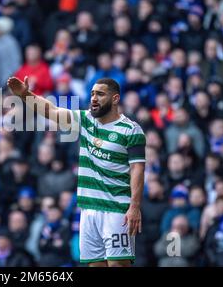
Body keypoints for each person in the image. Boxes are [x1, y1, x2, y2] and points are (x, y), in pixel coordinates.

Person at [8, 76, 146, 267]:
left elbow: (138, 168)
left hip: (117, 209)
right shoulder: (86, 119)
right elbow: (52, 111)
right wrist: (25, 95)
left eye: (100, 94)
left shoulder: (131, 130)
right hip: (88, 209)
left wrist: (134, 206)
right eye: (92, 94)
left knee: (117, 265)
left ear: (115, 99)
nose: (94, 98)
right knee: (95, 265)